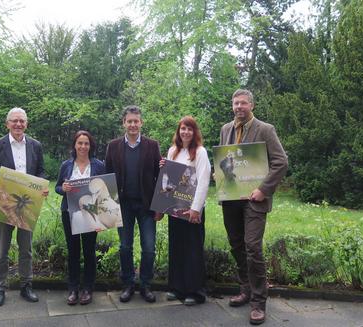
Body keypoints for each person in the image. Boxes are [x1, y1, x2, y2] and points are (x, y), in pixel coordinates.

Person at [219, 89, 288, 325]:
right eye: (235, 103)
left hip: (254, 200)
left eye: (243, 103)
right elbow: (224, 161)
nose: (239, 107)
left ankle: (259, 302)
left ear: (252, 106)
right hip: (231, 199)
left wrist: (263, 189)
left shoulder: (265, 129)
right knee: (236, 245)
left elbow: (281, 161)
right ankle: (245, 288)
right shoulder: (226, 129)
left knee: (252, 247)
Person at [0, 107, 48, 307]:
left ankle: (26, 286)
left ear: (26, 124)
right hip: (4, 206)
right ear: (7, 123)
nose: (18, 124)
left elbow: (42, 171)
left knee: (26, 250)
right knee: (1, 250)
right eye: (14, 121)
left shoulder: (35, 146)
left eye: (22, 121)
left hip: (27, 205)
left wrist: (43, 186)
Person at [105, 105, 161, 303]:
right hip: (123, 206)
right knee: (125, 247)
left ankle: (145, 285)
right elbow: (108, 177)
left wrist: (159, 207)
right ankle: (128, 284)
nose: (133, 125)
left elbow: (159, 176)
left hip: (147, 206)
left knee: (149, 248)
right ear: (124, 123)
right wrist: (108, 207)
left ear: (141, 123)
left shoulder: (152, 145)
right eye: (129, 121)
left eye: (136, 121)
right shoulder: (113, 146)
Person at [157, 116, 211, 306]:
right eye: (182, 128)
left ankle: (194, 291)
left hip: (191, 210)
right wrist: (162, 206)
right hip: (175, 208)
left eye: (189, 129)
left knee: (192, 250)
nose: (185, 132)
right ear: (178, 131)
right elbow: (167, 179)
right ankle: (177, 288)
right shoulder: (173, 150)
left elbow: (204, 181)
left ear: (194, 132)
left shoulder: (201, 152)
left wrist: (196, 209)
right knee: (177, 247)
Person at [55, 130, 105, 305]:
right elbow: (57, 187)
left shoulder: (99, 165)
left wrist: (102, 219)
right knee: (73, 252)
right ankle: (73, 288)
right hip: (70, 214)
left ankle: (87, 289)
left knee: (89, 252)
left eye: (86, 143)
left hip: (91, 215)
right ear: (74, 145)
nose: (83, 146)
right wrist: (64, 188)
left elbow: (104, 192)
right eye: (80, 143)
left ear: (90, 146)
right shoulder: (66, 165)